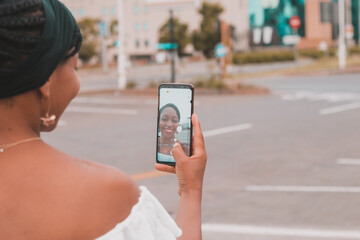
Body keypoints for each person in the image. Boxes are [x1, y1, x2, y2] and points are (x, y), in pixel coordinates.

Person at [0, 1, 207, 240]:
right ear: (46, 82)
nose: (77, 83)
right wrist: (191, 189)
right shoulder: (106, 194)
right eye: (74, 69)